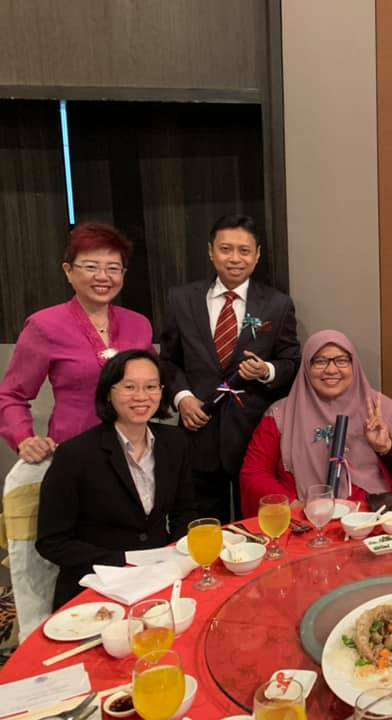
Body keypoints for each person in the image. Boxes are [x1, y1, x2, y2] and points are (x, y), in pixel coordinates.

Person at [160, 215, 300, 522]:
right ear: (211, 251)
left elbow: (291, 361)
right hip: (199, 431)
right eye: (226, 249)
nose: (235, 258)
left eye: (244, 250)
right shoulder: (181, 299)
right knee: (204, 525)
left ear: (257, 255)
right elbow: (168, 360)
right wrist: (182, 397)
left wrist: (266, 370)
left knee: (259, 524)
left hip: (253, 434)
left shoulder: (277, 304)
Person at [36, 350, 195, 609]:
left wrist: (174, 553)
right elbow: (52, 542)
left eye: (151, 387)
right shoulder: (74, 455)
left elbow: (186, 510)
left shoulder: (175, 442)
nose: (141, 396)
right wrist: (124, 560)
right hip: (97, 582)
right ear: (108, 393)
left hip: (161, 575)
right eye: (129, 387)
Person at [0, 223, 153, 463]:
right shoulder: (44, 326)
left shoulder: (139, 324)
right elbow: (12, 394)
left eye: (113, 268)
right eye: (91, 267)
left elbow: (155, 383)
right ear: (68, 271)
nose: (102, 276)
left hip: (135, 452)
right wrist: (24, 439)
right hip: (74, 453)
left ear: (123, 274)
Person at [239, 330, 392, 518]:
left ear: (354, 365)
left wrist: (386, 448)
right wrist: (291, 504)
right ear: (306, 366)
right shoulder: (281, 414)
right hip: (306, 517)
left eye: (341, 360)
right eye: (320, 361)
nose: (331, 370)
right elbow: (254, 473)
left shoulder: (383, 409)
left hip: (372, 516)